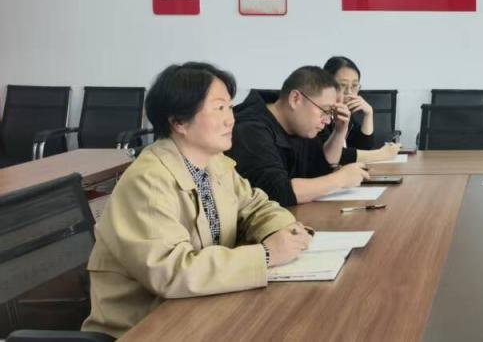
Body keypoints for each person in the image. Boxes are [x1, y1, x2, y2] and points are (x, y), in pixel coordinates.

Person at [82, 63, 312, 339]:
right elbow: (171, 272)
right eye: (218, 108)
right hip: (146, 326)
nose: (230, 119)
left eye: (229, 107)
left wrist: (284, 231)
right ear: (178, 122)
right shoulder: (148, 181)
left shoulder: (214, 162)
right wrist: (265, 255)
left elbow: (255, 206)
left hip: (201, 309)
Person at [229, 66, 370, 206]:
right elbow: (276, 192)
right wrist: (339, 180)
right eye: (325, 110)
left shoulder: (300, 125)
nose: (328, 121)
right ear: (295, 99)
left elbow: (320, 171)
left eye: (330, 113)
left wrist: (339, 131)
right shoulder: (250, 130)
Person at [321, 55, 401, 163]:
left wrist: (368, 114)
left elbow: (363, 147)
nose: (349, 92)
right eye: (343, 85)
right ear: (326, 85)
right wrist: (381, 154)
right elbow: (334, 155)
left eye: (354, 86)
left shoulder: (345, 113)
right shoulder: (320, 116)